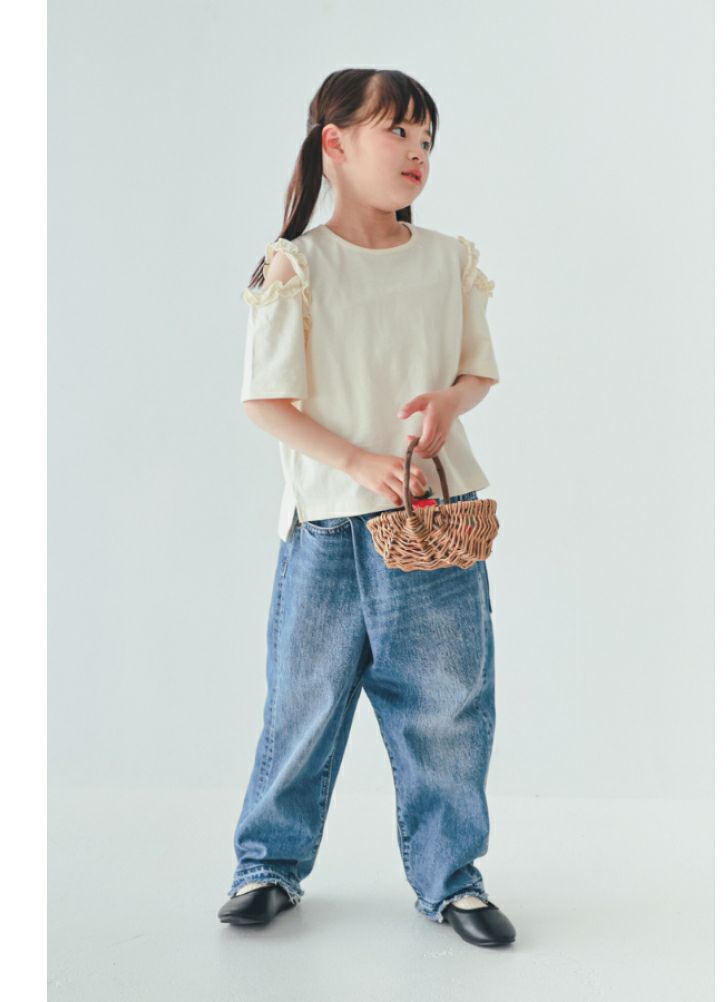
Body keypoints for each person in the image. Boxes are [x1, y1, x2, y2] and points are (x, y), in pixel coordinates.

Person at [217, 68, 516, 948]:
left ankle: (453, 881)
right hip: (328, 529)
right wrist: (357, 461)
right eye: (399, 132)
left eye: (427, 139)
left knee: (447, 710)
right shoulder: (297, 266)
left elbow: (477, 369)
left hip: (433, 525)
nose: (418, 152)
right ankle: (267, 866)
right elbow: (265, 402)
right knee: (301, 707)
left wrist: (449, 403)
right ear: (335, 143)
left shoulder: (447, 258)